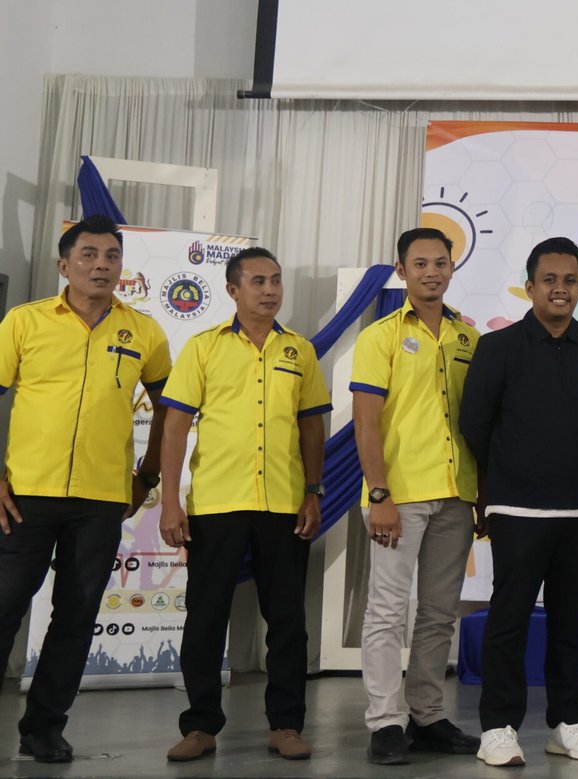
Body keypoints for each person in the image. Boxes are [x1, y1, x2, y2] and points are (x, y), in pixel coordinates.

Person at [0, 215, 172, 764]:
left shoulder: (144, 331)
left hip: (101, 500)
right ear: (64, 264)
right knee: (4, 605)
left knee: (75, 617)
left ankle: (44, 729)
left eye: (112, 256)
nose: (102, 265)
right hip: (26, 494)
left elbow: (170, 408)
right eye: (89, 254)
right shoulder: (24, 321)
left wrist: (148, 475)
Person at [157, 247, 330, 763]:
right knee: (206, 616)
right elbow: (174, 427)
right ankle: (200, 726)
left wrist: (314, 491)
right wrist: (170, 502)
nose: (270, 290)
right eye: (258, 281)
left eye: (276, 280)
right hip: (217, 503)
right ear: (233, 291)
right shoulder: (203, 347)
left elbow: (311, 427)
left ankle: (286, 725)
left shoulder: (300, 350)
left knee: (288, 619)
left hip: (283, 502)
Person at [459, 237, 578, 768]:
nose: (560, 289)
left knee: (573, 623)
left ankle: (567, 722)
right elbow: (476, 424)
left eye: (570, 280)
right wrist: (514, 472)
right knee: (509, 620)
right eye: (549, 280)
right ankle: (498, 727)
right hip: (519, 509)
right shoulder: (498, 347)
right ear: (530, 287)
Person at [351, 227, 482, 765]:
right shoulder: (380, 336)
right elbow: (365, 422)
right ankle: (386, 721)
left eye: (440, 262)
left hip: (457, 493)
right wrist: (379, 493)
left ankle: (427, 716)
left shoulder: (470, 339)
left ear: (452, 267)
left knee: (439, 612)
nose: (432, 272)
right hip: (398, 494)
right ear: (402, 271)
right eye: (420, 264)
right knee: (386, 610)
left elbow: (480, 422)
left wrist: (480, 495)